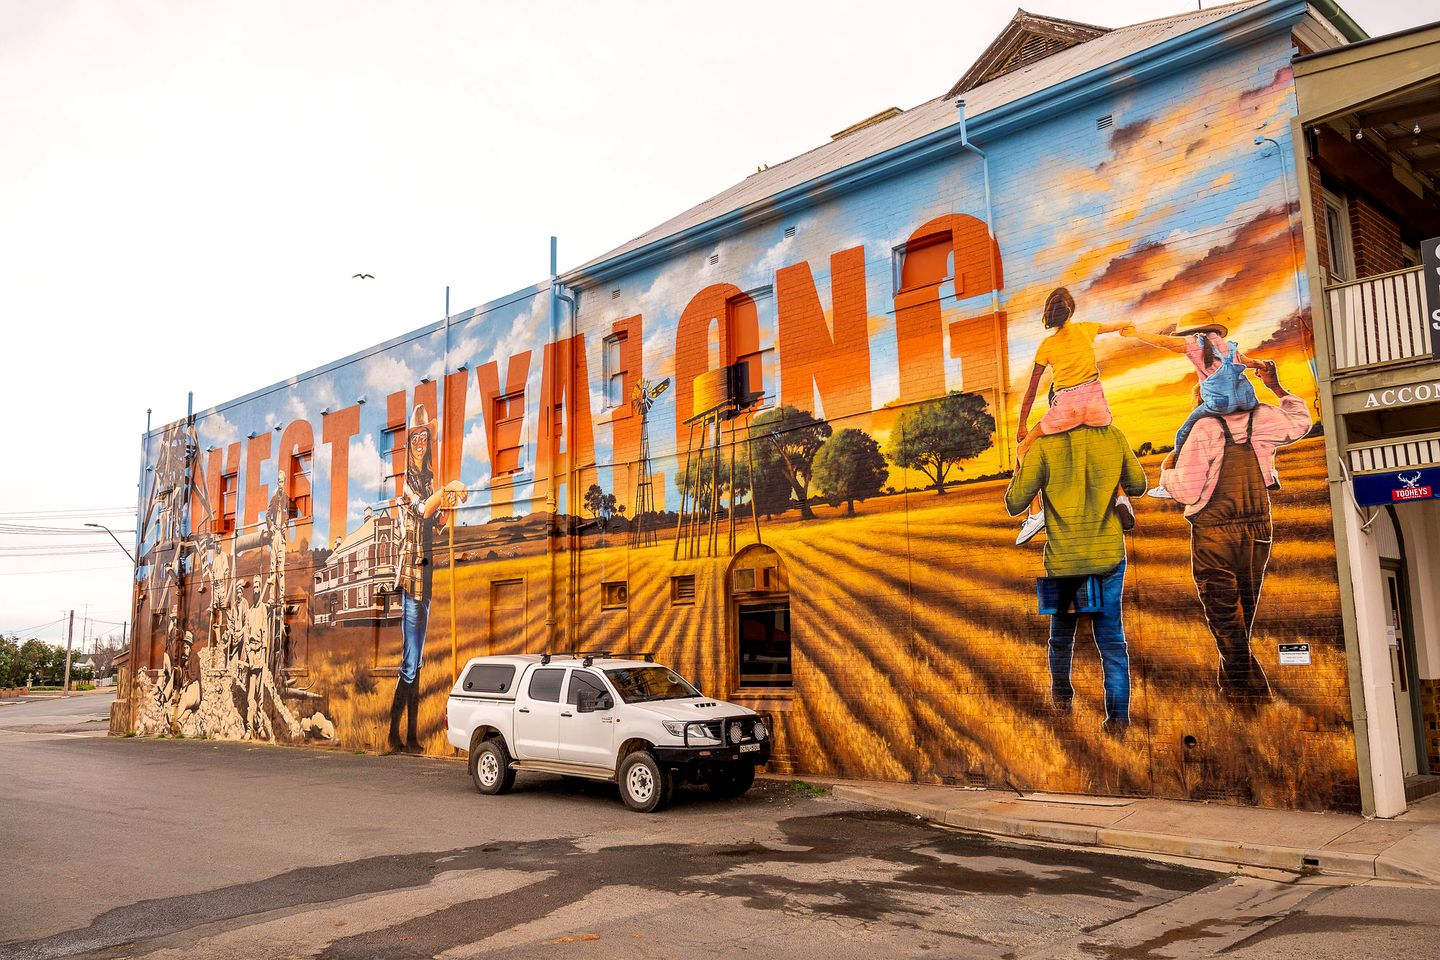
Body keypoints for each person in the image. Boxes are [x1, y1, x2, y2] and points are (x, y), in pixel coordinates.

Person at [1158, 359, 1311, 702]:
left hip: (1214, 533)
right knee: (1244, 611)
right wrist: (1277, 387)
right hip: (1258, 528)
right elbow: (1301, 423)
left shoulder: (1204, 429)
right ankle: (1235, 687)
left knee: (1225, 614)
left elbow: (1186, 490)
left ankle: (1250, 693)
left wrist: (1166, 471)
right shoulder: (1264, 417)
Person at [1005, 420, 1147, 730]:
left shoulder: (1042, 447)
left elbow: (1015, 503)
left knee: (1061, 639)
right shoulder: (1113, 434)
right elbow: (1138, 485)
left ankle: (1061, 698)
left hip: (1066, 561)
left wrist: (1022, 458)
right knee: (1111, 643)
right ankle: (1118, 720)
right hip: (1108, 556)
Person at [1015, 288, 1135, 545]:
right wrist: (1128, 326)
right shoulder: (1085, 328)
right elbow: (1117, 325)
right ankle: (1122, 497)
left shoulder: (1046, 345)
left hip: (1066, 407)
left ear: (1049, 314)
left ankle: (1035, 513)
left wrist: (1022, 425)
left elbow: (1031, 389)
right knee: (1102, 446)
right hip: (1096, 404)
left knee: (1023, 449)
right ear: (1071, 310)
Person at [388, 405, 468, 753]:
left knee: (417, 660)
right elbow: (421, 510)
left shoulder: (428, 481)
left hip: (428, 575)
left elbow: (434, 521)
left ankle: (412, 737)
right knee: (409, 661)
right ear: (408, 444)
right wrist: (446, 491)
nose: (420, 442)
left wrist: (450, 507)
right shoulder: (405, 483)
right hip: (412, 577)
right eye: (415, 438)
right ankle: (394, 735)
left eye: (425, 437)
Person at [1122, 312, 1266, 499]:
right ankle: (1267, 474)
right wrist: (1263, 366)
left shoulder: (1194, 342)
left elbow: (1164, 342)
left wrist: (1136, 334)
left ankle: (1176, 482)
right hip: (1247, 400)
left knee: (1183, 434)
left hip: (1220, 403)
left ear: (1190, 332)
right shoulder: (1228, 346)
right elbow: (1249, 362)